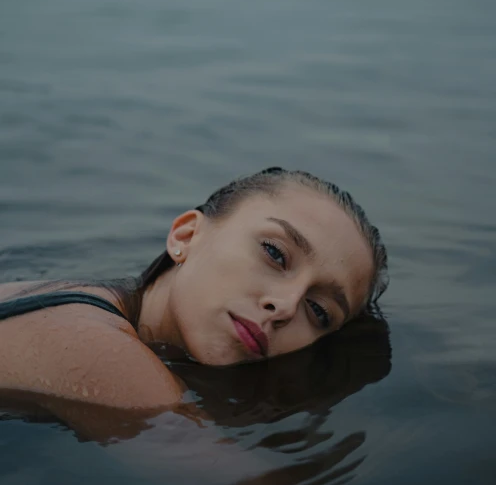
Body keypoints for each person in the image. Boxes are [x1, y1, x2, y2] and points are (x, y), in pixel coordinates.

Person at [0, 167, 389, 427]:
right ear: (186, 237)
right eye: (274, 253)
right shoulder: (87, 342)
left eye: (319, 311)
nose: (285, 306)